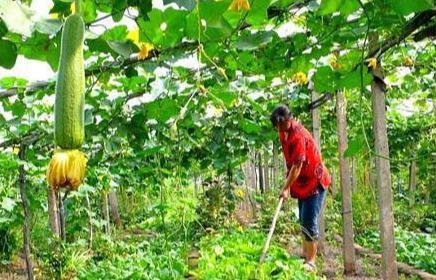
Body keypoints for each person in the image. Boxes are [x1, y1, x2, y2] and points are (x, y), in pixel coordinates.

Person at [270, 104, 331, 271]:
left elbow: (297, 166)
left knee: (309, 221)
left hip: (315, 181)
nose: (279, 130)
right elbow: (291, 162)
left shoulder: (298, 135)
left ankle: (311, 261)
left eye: (281, 126)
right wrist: (289, 182)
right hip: (302, 182)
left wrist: (285, 187)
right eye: (276, 127)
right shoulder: (284, 133)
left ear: (289, 120)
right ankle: (305, 254)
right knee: (303, 220)